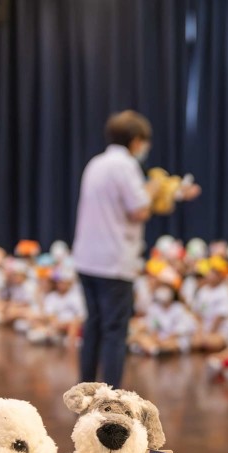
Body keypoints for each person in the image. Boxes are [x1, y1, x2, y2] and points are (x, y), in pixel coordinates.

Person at [71, 110, 199, 387]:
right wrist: (154, 188)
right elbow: (139, 209)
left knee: (93, 324)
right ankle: (111, 394)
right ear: (136, 141)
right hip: (113, 261)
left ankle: (85, 387)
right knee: (115, 330)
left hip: (86, 258)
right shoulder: (125, 165)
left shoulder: (96, 163)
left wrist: (173, 192)